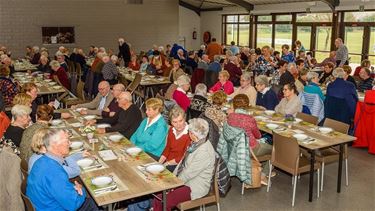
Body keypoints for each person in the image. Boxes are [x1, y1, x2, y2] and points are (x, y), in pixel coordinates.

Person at [26, 129, 98, 210]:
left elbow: (57, 187)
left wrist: (73, 188)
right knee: (92, 202)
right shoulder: (54, 172)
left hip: (42, 204)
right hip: (52, 208)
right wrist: (82, 189)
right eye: (67, 141)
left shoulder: (41, 161)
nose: (70, 143)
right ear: (55, 145)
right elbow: (73, 204)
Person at [152, 118, 215, 211]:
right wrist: (173, 177)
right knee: (158, 195)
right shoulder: (196, 143)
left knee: (165, 200)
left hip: (194, 186)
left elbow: (188, 173)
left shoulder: (204, 151)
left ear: (193, 134)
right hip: (184, 179)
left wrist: (173, 184)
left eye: (189, 131)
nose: (188, 133)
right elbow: (182, 162)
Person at [227, 94, 272, 173]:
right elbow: (258, 136)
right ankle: (264, 174)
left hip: (235, 147)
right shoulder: (249, 119)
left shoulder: (230, 116)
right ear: (247, 105)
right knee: (273, 149)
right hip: (250, 148)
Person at [159, 106, 191, 172]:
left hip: (179, 165)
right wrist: (159, 162)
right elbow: (167, 148)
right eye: (175, 122)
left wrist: (166, 164)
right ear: (171, 122)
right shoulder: (171, 130)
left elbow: (184, 156)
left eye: (180, 121)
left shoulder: (190, 134)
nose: (178, 125)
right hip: (168, 161)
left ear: (185, 119)